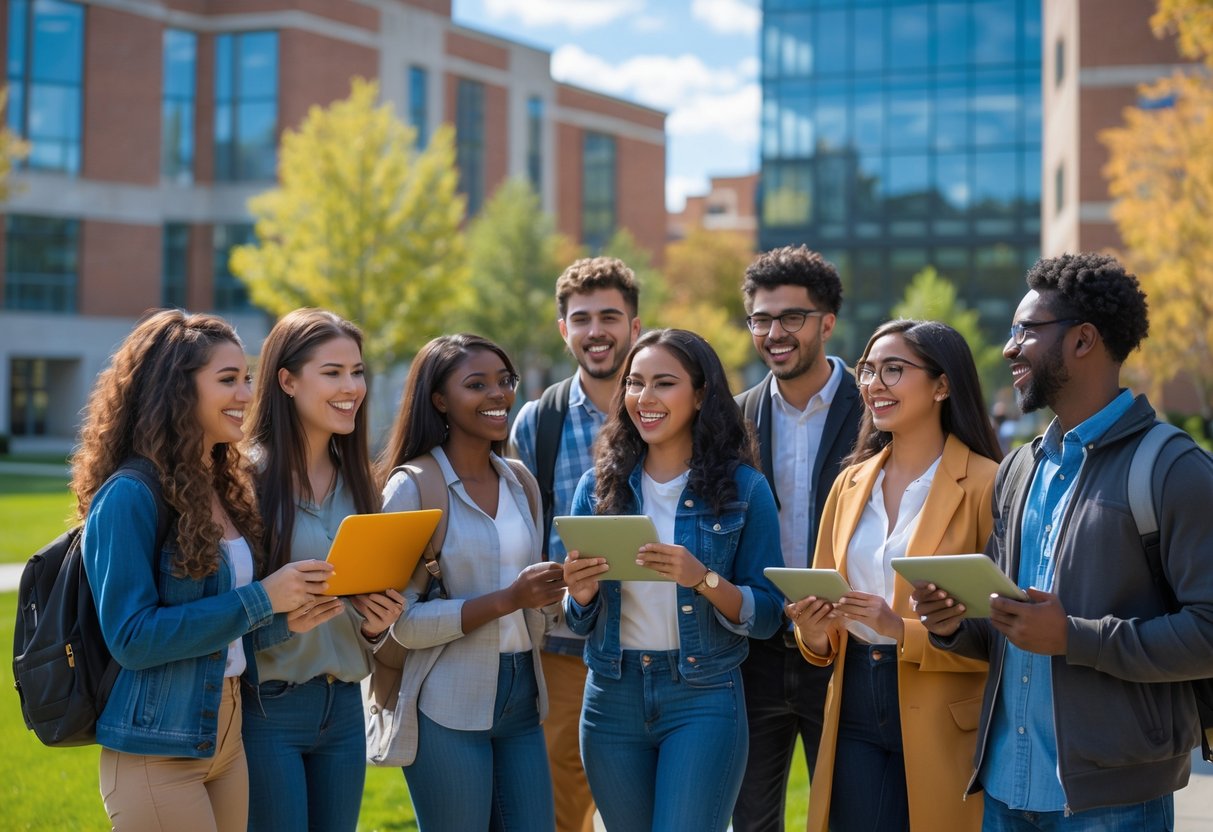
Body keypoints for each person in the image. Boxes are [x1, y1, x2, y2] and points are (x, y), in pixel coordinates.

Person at [912, 253, 1213, 830]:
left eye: (1026, 330)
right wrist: (952, 622)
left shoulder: (1173, 469)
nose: (1008, 348)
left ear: (1082, 340)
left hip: (1113, 801)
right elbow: (1011, 627)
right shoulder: (1020, 468)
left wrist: (1076, 637)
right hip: (1004, 787)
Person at [76, 310, 339, 831]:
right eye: (227, 380)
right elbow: (132, 637)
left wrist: (288, 619)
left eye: (246, 378)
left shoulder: (221, 487)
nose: (246, 394)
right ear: (176, 390)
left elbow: (219, 632)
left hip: (227, 739)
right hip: (158, 748)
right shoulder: (129, 495)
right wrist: (263, 599)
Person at [562, 328, 785, 832]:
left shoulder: (744, 489)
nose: (645, 398)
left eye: (664, 383)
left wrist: (702, 579)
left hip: (702, 696)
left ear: (701, 394)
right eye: (635, 383)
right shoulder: (596, 488)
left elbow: (769, 613)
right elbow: (579, 620)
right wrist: (579, 594)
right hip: (611, 699)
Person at [787, 319, 1002, 832]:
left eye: (893, 370)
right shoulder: (849, 483)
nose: (873, 384)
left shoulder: (987, 484)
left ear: (942, 385)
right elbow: (820, 613)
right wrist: (813, 630)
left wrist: (897, 628)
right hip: (854, 696)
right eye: (868, 370)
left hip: (945, 707)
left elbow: (1001, 626)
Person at [377, 333, 565, 832]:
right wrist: (508, 599)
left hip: (523, 693)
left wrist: (563, 591)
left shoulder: (521, 482)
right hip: (446, 701)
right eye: (476, 384)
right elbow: (401, 624)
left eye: (505, 381)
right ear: (439, 399)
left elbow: (539, 611)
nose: (498, 394)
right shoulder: (412, 486)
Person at [241, 308, 404, 832]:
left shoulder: (362, 485)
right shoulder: (244, 480)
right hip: (266, 710)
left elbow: (361, 621)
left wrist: (377, 625)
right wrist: (282, 616)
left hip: (343, 711)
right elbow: (215, 611)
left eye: (357, 372)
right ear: (286, 380)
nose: (351, 387)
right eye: (332, 372)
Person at [732, 245, 863, 832]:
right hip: (754, 650)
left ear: (827, 322)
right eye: (761, 318)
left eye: (792, 318)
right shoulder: (733, 420)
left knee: (844, 815)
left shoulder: (877, 407)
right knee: (751, 819)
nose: (774, 333)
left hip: (847, 650)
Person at [508, 256, 641, 832]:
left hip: (665, 641)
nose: (596, 331)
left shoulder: (677, 404)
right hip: (568, 646)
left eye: (610, 316)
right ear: (564, 329)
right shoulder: (539, 422)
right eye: (582, 318)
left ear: (635, 326)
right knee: (564, 807)